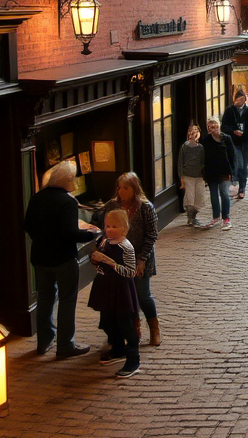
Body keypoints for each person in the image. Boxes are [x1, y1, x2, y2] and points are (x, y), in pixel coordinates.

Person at [24, 160, 100, 358]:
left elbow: (28, 226)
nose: (74, 181)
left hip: (40, 258)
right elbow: (70, 233)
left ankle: (44, 342)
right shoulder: (67, 201)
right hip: (63, 259)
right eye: (73, 178)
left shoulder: (36, 198)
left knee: (45, 299)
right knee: (67, 300)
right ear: (66, 180)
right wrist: (91, 235)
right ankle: (65, 345)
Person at [97, 172, 161, 346]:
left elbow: (152, 234)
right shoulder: (112, 206)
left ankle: (154, 329)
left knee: (143, 295)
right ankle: (134, 329)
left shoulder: (145, 207)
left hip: (142, 256)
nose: (121, 191)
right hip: (120, 258)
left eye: (126, 188)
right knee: (127, 296)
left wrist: (141, 260)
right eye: (119, 187)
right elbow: (103, 228)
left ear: (135, 188)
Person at [87, 209, 141, 378]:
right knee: (108, 321)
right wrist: (95, 261)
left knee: (125, 324)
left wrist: (110, 263)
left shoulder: (126, 247)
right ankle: (118, 350)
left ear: (124, 229)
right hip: (105, 287)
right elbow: (99, 266)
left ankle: (134, 360)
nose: (109, 230)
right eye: (107, 226)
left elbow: (130, 272)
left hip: (121, 290)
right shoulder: (104, 242)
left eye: (114, 227)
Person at [201, 115, 236, 229]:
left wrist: (232, 171)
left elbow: (232, 156)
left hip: (224, 171)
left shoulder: (226, 139)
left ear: (219, 126)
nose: (214, 129)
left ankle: (226, 218)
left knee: (224, 193)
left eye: (216, 126)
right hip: (211, 172)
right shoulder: (206, 141)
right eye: (212, 127)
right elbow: (203, 158)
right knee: (213, 195)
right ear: (208, 128)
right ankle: (215, 217)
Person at [221, 90, 248, 199]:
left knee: (243, 164)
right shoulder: (229, 111)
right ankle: (237, 185)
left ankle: (242, 187)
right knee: (239, 164)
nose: (239, 102)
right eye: (237, 99)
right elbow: (223, 127)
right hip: (233, 143)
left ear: (245, 99)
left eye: (241, 99)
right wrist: (233, 131)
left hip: (245, 143)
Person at [178, 123, 206, 227]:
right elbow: (180, 162)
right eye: (191, 131)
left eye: (196, 131)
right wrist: (181, 175)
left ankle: (194, 217)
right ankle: (190, 218)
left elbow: (203, 162)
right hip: (188, 175)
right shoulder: (184, 147)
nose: (193, 134)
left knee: (199, 197)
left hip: (199, 176)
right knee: (190, 197)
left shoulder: (201, 148)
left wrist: (205, 175)